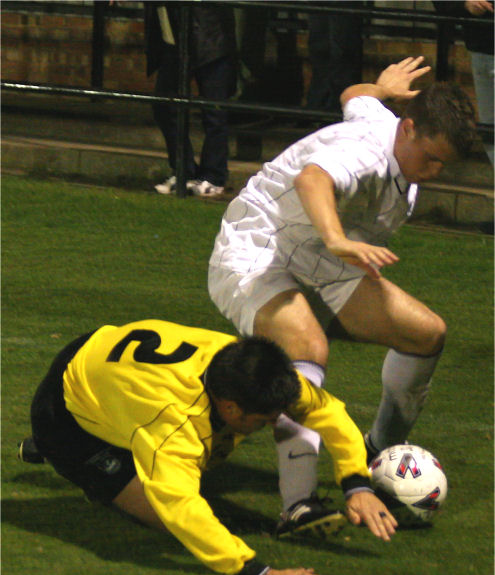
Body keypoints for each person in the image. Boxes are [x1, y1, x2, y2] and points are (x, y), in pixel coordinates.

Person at [208, 57, 476, 535]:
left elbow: (354, 97)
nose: (434, 171)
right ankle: (298, 507)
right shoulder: (368, 154)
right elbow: (313, 178)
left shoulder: (386, 122)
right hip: (258, 251)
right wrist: (336, 238)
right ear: (410, 129)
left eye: (444, 164)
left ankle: (376, 458)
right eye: (431, 157)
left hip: (325, 258)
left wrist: (381, 88)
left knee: (426, 334)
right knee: (308, 349)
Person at [20, 319, 397, 575]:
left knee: (209, 448)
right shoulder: (176, 424)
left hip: (110, 366)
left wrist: (357, 484)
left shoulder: (249, 367)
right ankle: (53, 450)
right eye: (266, 419)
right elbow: (181, 507)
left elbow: (325, 410)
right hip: (65, 413)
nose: (274, 423)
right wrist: (257, 570)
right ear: (231, 407)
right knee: (166, 515)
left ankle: (120, 438)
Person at [143, 2, 237, 197]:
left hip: (208, 36)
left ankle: (213, 176)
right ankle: (183, 171)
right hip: (177, 38)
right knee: (164, 106)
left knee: (214, 111)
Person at [433, 0, 494, 164]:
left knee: (490, 128)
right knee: (490, 129)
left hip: (482, 45)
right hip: (482, 47)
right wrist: (464, 4)